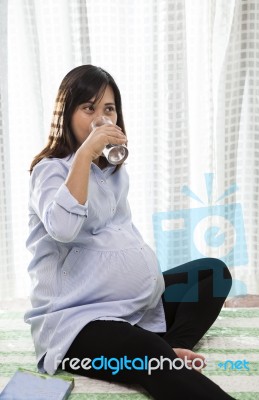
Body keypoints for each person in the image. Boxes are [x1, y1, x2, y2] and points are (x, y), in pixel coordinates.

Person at [25, 64, 236, 400]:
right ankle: (162, 357)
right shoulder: (49, 171)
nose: (102, 118)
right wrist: (85, 154)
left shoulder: (114, 175)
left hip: (134, 309)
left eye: (109, 109)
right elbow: (63, 229)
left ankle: (174, 349)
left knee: (213, 273)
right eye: (89, 108)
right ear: (67, 114)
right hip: (78, 325)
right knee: (149, 354)